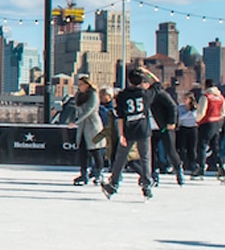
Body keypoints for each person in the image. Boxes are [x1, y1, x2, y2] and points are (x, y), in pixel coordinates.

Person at [102, 69, 153, 200]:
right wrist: (147, 72)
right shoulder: (145, 94)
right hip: (143, 129)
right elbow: (157, 85)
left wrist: (121, 135)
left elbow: (120, 117)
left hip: (128, 129)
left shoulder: (122, 96)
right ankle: (147, 186)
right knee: (145, 158)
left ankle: (113, 184)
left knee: (121, 158)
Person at [144, 72, 183, 187]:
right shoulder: (143, 96)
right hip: (150, 128)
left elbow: (173, 107)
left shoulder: (159, 94)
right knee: (150, 152)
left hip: (163, 127)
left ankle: (178, 168)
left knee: (170, 150)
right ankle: (154, 173)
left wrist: (172, 122)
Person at [67, 76, 104, 185]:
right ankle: (83, 173)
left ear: (88, 84)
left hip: (92, 126)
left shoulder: (93, 95)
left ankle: (98, 172)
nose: (80, 87)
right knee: (82, 151)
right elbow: (76, 108)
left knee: (95, 150)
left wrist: (76, 121)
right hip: (82, 127)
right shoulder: (78, 95)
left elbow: (89, 110)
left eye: (82, 84)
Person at [194, 79, 225, 178]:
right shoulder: (220, 97)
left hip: (206, 123)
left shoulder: (206, 97)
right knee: (215, 147)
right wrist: (217, 118)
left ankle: (201, 168)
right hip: (216, 123)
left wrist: (197, 120)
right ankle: (221, 167)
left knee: (202, 146)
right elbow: (223, 112)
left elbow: (201, 112)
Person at [176, 91, 199, 177]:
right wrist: (188, 113)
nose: (184, 100)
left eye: (186, 99)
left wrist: (192, 112)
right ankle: (183, 163)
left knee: (192, 148)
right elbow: (180, 117)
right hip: (184, 127)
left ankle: (193, 165)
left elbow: (195, 117)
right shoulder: (181, 107)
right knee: (182, 148)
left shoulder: (195, 107)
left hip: (193, 128)